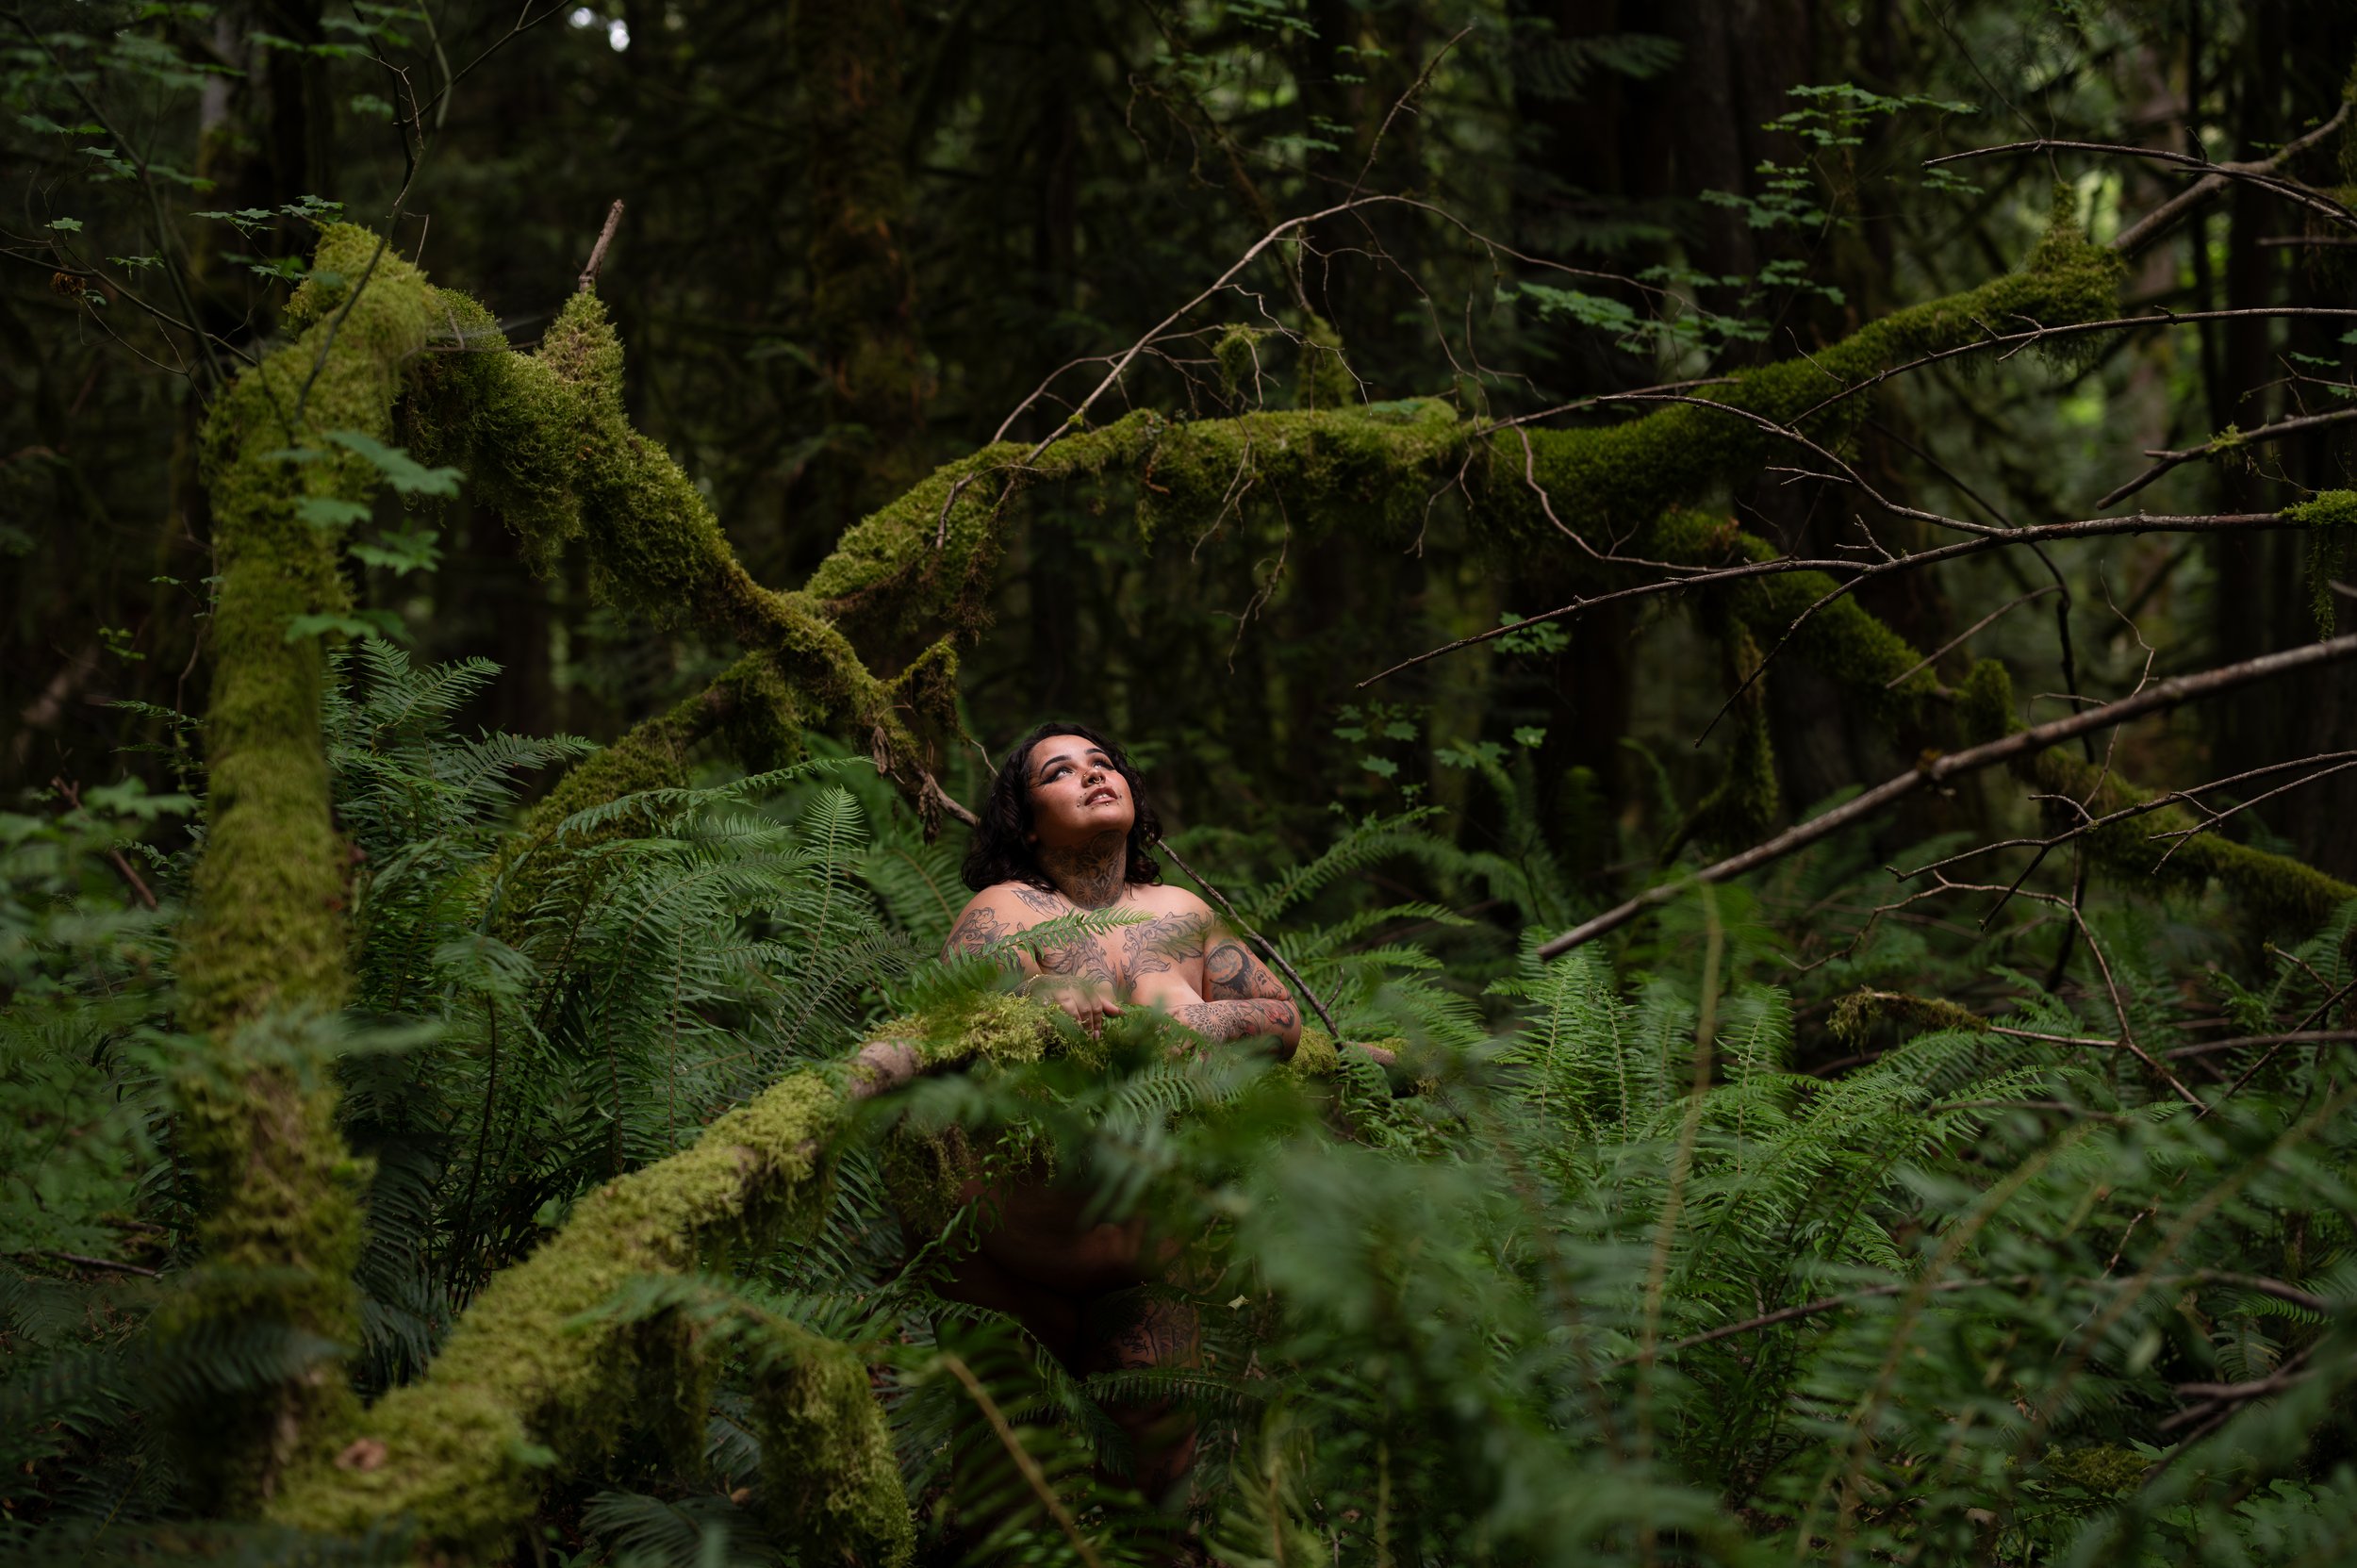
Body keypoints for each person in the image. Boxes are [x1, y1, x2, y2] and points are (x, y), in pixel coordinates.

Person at [919, 722, 1303, 1511]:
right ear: (1026, 823)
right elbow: (948, 1020)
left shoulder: (1183, 914)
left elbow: (1284, 1019)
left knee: (1160, 1504)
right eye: (1060, 771)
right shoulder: (1004, 909)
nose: (1093, 775)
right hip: (1014, 1259)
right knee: (1014, 1502)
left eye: (1103, 763)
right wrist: (1040, 997)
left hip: (1152, 1256)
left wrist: (1210, 1022)